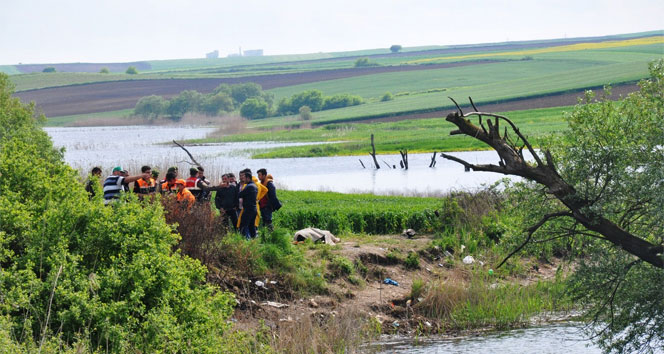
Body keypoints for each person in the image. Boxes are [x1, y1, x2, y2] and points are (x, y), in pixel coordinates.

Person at [237, 170, 258, 239]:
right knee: (251, 226)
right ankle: (254, 241)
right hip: (254, 209)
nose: (243, 179)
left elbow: (240, 195)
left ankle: (245, 241)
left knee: (243, 225)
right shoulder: (254, 186)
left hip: (248, 209)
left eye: (244, 177)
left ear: (248, 178)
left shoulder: (249, 186)